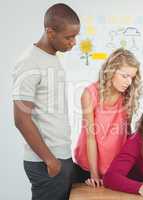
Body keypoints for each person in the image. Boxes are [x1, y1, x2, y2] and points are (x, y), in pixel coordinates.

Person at [12, 3, 80, 200]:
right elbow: (21, 119)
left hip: (61, 156)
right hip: (46, 162)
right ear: (50, 32)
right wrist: (50, 161)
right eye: (69, 37)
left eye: (75, 36)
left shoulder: (52, 58)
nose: (73, 42)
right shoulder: (29, 62)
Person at [73, 48, 142, 187]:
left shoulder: (127, 96)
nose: (129, 82)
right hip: (90, 166)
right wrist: (94, 175)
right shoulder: (90, 94)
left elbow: (126, 135)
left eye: (132, 77)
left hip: (115, 168)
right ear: (111, 71)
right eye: (125, 76)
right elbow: (90, 137)